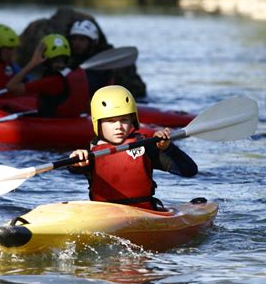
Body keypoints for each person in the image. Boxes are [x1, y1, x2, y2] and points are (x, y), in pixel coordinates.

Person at [68, 85, 198, 211]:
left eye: (124, 120)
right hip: (104, 216)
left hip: (143, 214)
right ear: (98, 123)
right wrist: (76, 162)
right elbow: (74, 170)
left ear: (132, 121)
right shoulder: (91, 155)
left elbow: (189, 170)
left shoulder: (146, 149)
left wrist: (167, 148)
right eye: (111, 121)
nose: (118, 126)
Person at [6, 33, 90, 117]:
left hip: (54, 124)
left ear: (44, 57)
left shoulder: (51, 82)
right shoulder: (78, 72)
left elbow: (11, 87)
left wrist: (32, 63)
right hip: (73, 121)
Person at [68, 19, 114, 97]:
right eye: (74, 39)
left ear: (92, 42)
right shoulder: (68, 61)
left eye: (82, 39)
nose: (76, 43)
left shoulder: (101, 66)